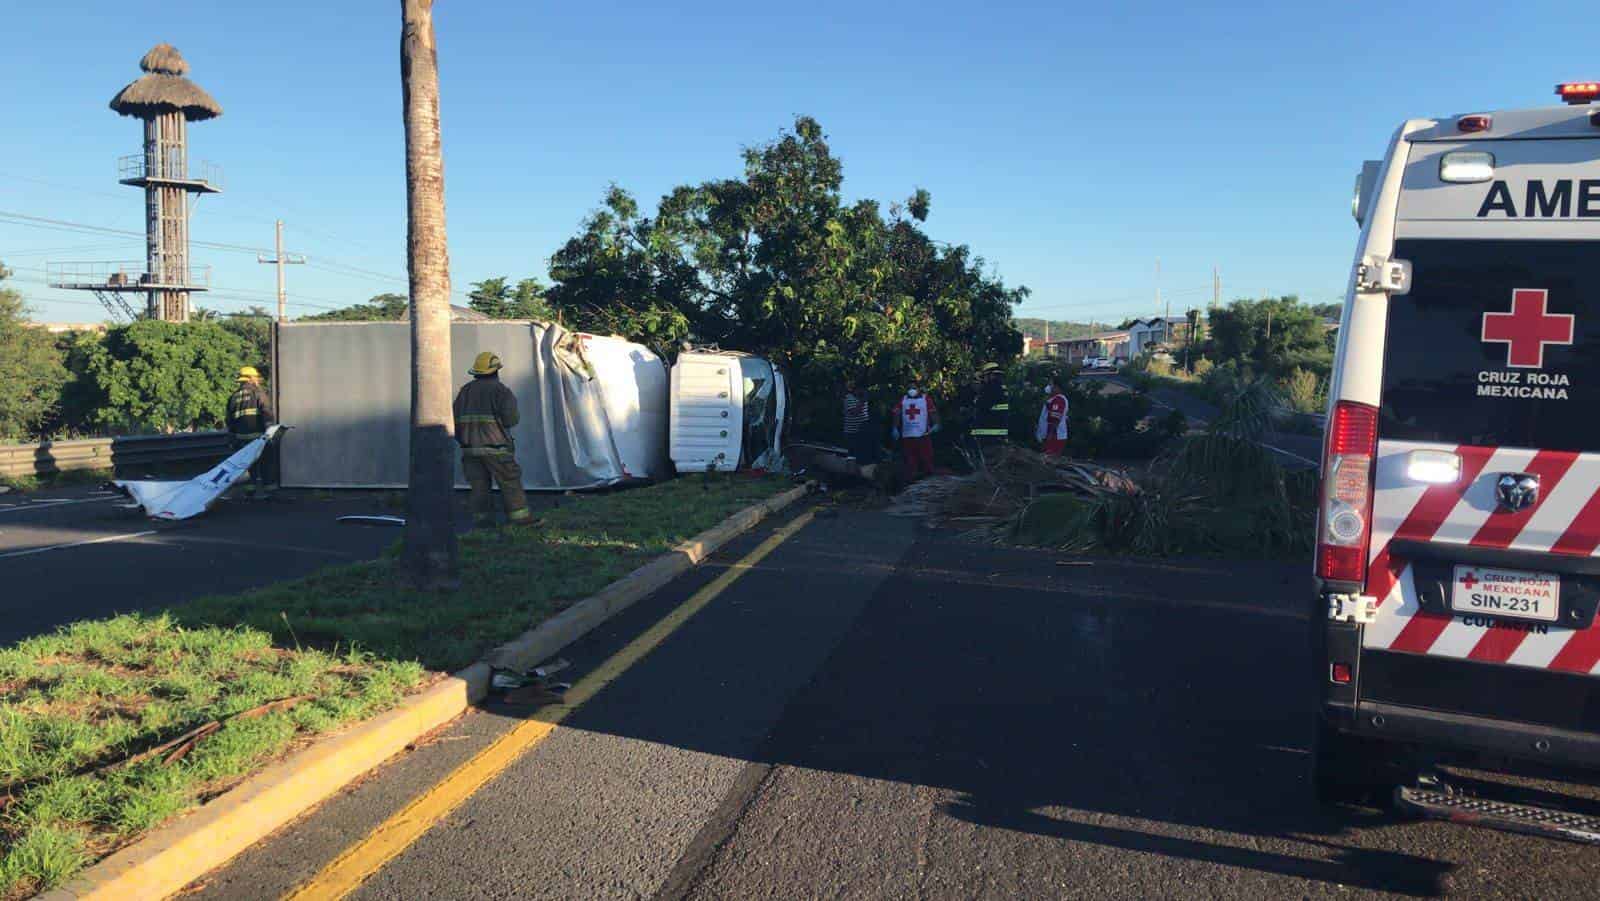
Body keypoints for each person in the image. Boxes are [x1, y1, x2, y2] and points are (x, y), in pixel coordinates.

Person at [453, 351, 533, 528]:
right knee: (510, 481)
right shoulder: (501, 391)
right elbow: (511, 420)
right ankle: (520, 520)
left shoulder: (465, 391)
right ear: (496, 371)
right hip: (496, 448)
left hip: (469, 449)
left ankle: (482, 522)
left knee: (479, 486)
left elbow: (453, 419)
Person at [226, 365, 276, 497]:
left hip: (241, 439)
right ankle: (270, 491)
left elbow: (230, 421)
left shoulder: (234, 397)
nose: (257, 380)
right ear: (249, 379)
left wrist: (233, 439)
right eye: (255, 377)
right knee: (266, 463)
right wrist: (270, 432)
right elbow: (266, 412)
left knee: (248, 466)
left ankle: (250, 492)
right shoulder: (257, 393)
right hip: (259, 437)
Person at [891, 383, 939, 480]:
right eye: (909, 388)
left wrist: (936, 424)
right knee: (910, 460)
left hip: (923, 434)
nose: (911, 390)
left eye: (914, 388)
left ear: (918, 389)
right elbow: (896, 413)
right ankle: (912, 482)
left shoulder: (926, 399)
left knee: (927, 459)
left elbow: (933, 412)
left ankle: (930, 481)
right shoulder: (903, 400)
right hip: (907, 435)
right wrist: (895, 428)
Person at [969, 362, 1010, 447]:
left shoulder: (990, 388)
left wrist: (977, 396)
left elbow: (980, 405)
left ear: (990, 375)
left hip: (988, 436)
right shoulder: (1002, 388)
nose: (983, 379)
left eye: (984, 376)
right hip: (999, 433)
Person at [842, 380, 876, 464]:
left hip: (863, 432)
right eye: (861, 389)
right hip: (852, 433)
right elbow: (855, 412)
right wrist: (863, 400)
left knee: (863, 456)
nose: (863, 391)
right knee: (852, 456)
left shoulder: (862, 398)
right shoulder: (849, 398)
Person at [1037, 381, 1069, 457]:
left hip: (1055, 436)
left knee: (1050, 459)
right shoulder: (1053, 399)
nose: (1049, 387)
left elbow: (1055, 419)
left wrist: (1050, 434)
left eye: (1051, 385)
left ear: (1057, 387)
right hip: (1051, 436)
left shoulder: (1058, 400)